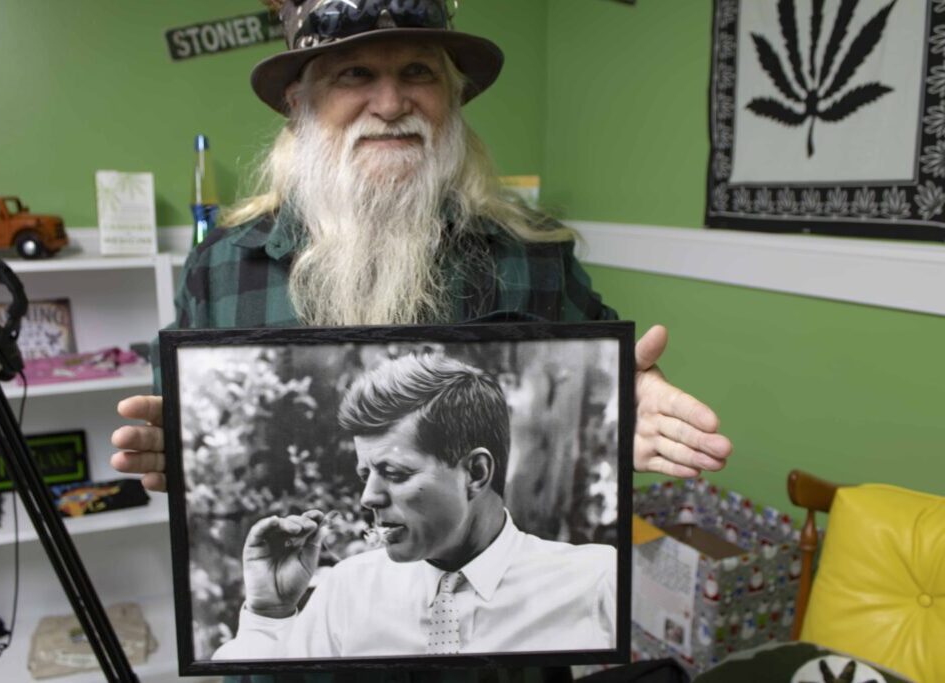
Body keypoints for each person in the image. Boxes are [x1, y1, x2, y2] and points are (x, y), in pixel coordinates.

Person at [111, 0, 732, 680]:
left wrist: (625, 405)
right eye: (353, 74)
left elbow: (612, 380)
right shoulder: (225, 264)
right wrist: (181, 451)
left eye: (417, 72)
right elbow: (173, 417)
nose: (390, 102)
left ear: (452, 99)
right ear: (299, 103)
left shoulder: (533, 254)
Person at [213, 353, 617, 660]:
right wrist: (269, 615)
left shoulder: (598, 582)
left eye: (394, 472)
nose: (367, 497)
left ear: (475, 472)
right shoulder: (346, 591)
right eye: (364, 474)